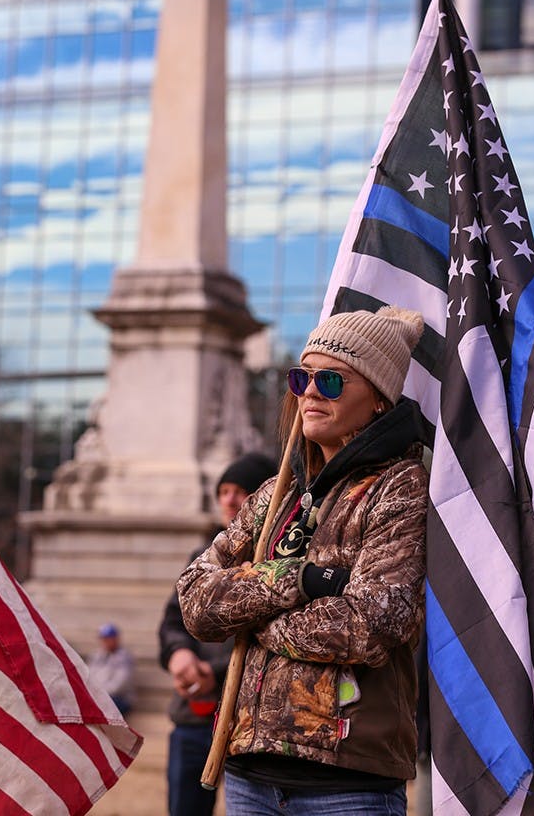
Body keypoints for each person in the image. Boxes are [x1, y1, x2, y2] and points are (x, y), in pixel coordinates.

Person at [177, 305, 428, 815]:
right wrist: (305, 580)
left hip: (349, 783)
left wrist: (249, 619)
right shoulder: (274, 494)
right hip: (248, 776)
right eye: (302, 377)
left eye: (332, 381)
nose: (310, 392)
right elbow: (195, 601)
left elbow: (369, 625)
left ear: (379, 399)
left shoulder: (402, 489)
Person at [159, 452, 277, 816]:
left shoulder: (281, 561)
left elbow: (275, 638)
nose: (229, 500)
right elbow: (172, 621)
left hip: (253, 724)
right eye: (223, 491)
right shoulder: (204, 556)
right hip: (194, 719)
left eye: (241, 491)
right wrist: (181, 655)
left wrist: (219, 672)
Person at [87, 622, 136, 716]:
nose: (105, 642)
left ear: (116, 639)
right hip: (98, 696)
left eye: (108, 639)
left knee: (100, 707)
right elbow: (89, 675)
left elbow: (120, 685)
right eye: (103, 639)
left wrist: (98, 693)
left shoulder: (124, 657)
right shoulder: (96, 655)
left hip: (119, 698)